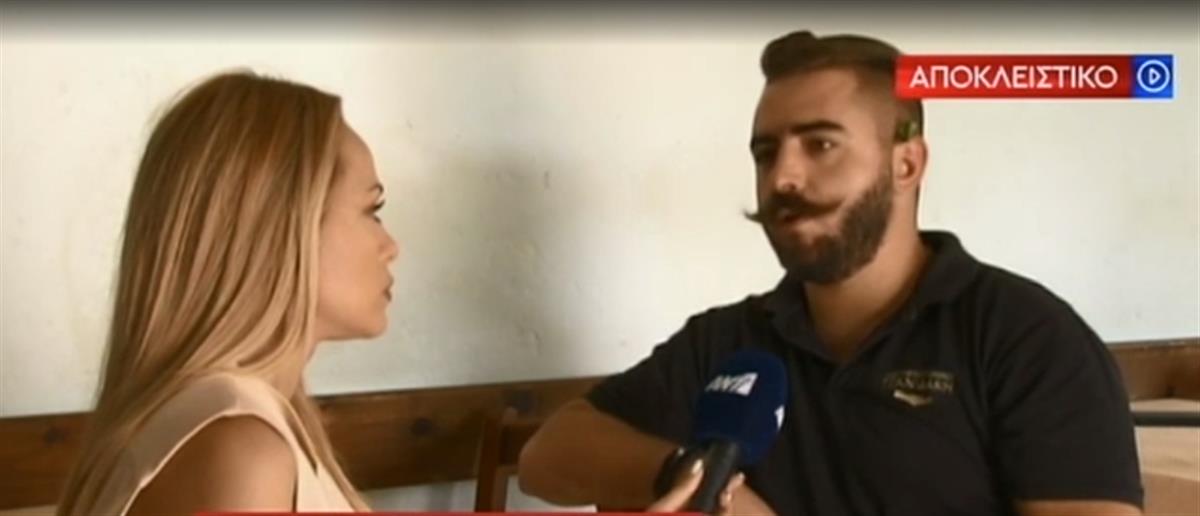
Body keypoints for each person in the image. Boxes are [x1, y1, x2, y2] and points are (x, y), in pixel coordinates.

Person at [517, 30, 1145, 516]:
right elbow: (548, 455)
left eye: (820, 144)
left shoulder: (1024, 337)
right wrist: (697, 476)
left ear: (906, 164)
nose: (783, 177)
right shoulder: (730, 342)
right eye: (766, 153)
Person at [56, 71, 740, 515]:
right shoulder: (238, 447)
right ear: (278, 225)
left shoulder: (241, 422)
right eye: (372, 209)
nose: (391, 245)